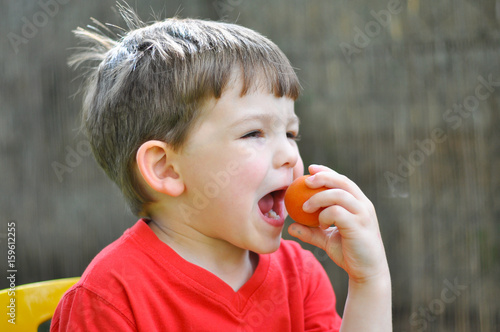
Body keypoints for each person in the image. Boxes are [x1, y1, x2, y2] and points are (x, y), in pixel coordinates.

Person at [51, 5, 391, 332]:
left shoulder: (299, 276)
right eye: (254, 132)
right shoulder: (110, 299)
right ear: (166, 168)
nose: (290, 154)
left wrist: (369, 282)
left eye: (291, 133)